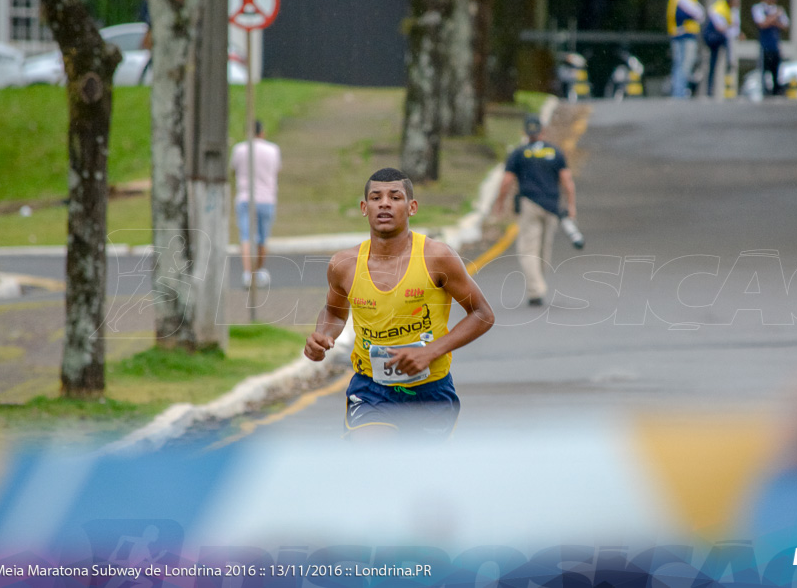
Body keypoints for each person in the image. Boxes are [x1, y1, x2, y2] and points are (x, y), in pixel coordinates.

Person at [304, 168, 495, 440]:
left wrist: (430, 353)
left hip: (430, 391)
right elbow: (334, 312)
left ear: (412, 207)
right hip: (371, 389)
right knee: (371, 454)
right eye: (375, 197)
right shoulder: (343, 265)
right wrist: (323, 336)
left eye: (395, 197)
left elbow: (482, 314)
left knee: (416, 472)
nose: (384, 203)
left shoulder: (437, 257)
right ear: (364, 207)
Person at [493, 115, 577, 307]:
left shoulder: (519, 153)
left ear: (525, 132)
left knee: (528, 249)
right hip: (552, 206)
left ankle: (535, 289)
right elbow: (567, 182)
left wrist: (500, 202)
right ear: (542, 131)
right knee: (544, 248)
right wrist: (571, 206)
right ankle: (538, 284)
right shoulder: (555, 153)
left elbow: (507, 181)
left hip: (530, 204)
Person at [230, 120, 281, 289]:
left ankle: (247, 274)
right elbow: (276, 171)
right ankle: (258, 271)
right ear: (262, 132)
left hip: (245, 197)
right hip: (267, 199)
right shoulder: (273, 149)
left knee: (246, 236)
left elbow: (234, 170)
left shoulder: (239, 149)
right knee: (262, 239)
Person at [666, 0, 706, 99]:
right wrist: (695, 15)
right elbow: (699, 13)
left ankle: (679, 92)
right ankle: (679, 93)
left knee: (682, 65)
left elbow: (699, 14)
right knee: (683, 65)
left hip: (685, 35)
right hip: (683, 36)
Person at [751, 0, 790, 96]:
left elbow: (785, 25)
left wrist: (771, 20)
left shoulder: (778, 9)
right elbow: (762, 24)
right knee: (763, 70)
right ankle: (764, 92)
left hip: (775, 46)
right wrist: (774, 18)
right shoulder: (758, 8)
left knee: (776, 71)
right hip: (764, 45)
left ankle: (776, 92)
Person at [702, 0, 741, 98]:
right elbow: (720, 27)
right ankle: (709, 90)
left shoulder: (731, 11)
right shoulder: (719, 8)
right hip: (713, 37)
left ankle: (730, 63)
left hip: (720, 38)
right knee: (713, 63)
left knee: (714, 62)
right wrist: (730, 28)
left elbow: (733, 28)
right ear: (730, 2)